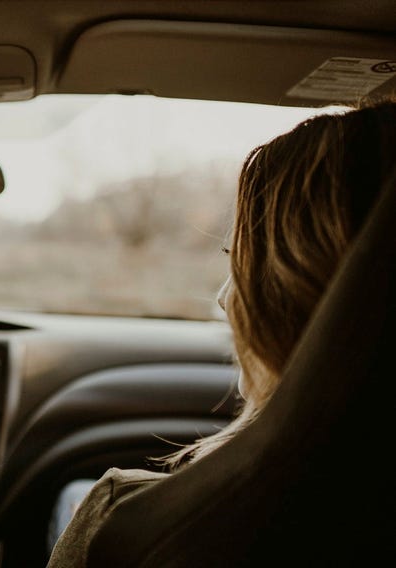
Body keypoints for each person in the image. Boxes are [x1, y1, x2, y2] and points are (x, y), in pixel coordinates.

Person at [45, 96, 396, 567]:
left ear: (297, 297)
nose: (223, 298)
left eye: (239, 266)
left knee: (72, 497)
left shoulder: (126, 521)